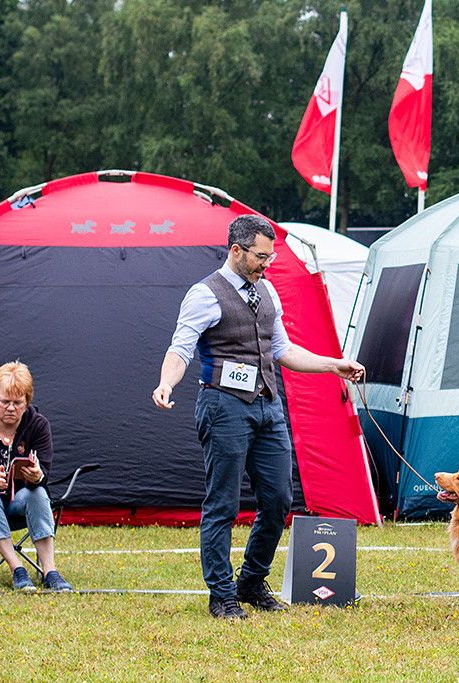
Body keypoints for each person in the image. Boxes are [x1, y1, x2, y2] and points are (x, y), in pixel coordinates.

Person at [152, 214, 364, 619]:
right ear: (236, 250)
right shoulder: (204, 294)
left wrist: (333, 365)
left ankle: (250, 583)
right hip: (223, 407)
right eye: (260, 256)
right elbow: (180, 348)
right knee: (223, 504)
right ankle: (222, 594)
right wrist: (166, 383)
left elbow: (283, 350)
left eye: (270, 256)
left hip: (268, 406)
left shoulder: (268, 291)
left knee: (279, 499)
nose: (267, 264)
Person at [0, 361, 73, 592]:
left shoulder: (38, 425)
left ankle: (50, 571)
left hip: (18, 500)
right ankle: (17, 568)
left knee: (39, 493)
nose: (11, 408)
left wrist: (37, 476)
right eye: (4, 402)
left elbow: (44, 473)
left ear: (27, 402)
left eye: (18, 403)